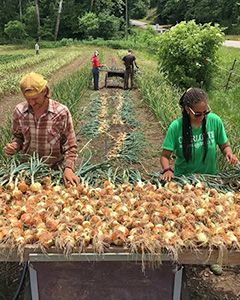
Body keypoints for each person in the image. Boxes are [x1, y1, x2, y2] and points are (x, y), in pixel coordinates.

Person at [4, 72, 80, 187]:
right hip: (26, 175)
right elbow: (18, 137)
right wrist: (14, 146)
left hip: (53, 174)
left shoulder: (60, 112)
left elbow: (70, 145)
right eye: (28, 99)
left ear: (44, 91)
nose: (32, 103)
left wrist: (68, 168)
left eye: (35, 98)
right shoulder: (19, 111)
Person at [160, 88, 238, 181]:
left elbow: (224, 146)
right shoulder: (176, 127)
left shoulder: (215, 121)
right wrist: (167, 169)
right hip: (183, 180)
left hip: (209, 180)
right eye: (197, 114)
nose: (202, 117)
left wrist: (229, 153)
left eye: (205, 112)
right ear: (187, 109)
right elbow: (165, 156)